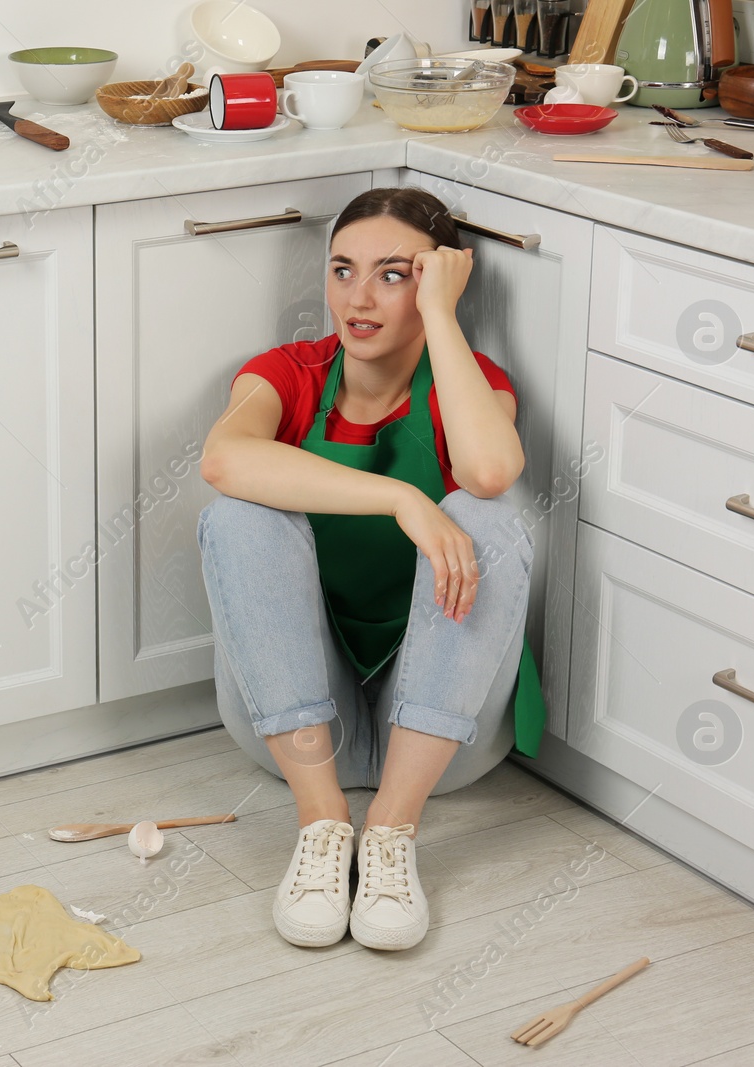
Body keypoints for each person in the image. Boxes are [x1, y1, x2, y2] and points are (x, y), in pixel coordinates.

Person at [195, 187, 545, 952]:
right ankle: (322, 826)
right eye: (343, 270)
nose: (358, 298)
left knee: (492, 517)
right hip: (299, 732)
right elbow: (224, 458)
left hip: (436, 742)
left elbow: (488, 470)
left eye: (393, 275)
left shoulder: (471, 382)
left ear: (436, 280)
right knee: (239, 511)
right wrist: (401, 499)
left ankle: (389, 835)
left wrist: (444, 317)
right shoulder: (285, 373)